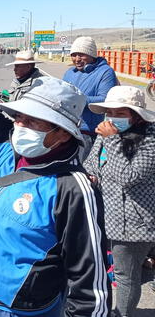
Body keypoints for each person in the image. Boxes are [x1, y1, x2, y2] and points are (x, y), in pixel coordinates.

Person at [0, 18, 110, 317]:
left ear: (63, 133)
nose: (20, 125)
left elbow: (91, 285)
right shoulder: (4, 142)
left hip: (21, 310)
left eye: (34, 121)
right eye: (20, 116)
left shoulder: (72, 188)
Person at [83, 86, 155, 317]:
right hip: (106, 214)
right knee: (109, 271)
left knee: (126, 276)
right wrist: (91, 175)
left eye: (120, 113)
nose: (112, 118)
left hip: (134, 222)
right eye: (109, 112)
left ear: (135, 115)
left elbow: (129, 177)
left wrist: (112, 140)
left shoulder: (150, 140)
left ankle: (121, 314)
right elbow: (91, 164)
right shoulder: (105, 136)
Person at [63, 36, 118, 158]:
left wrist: (77, 99)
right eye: (74, 55)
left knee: (83, 170)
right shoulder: (70, 73)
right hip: (66, 129)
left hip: (88, 132)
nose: (77, 59)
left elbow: (105, 100)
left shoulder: (105, 72)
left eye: (81, 55)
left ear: (92, 55)